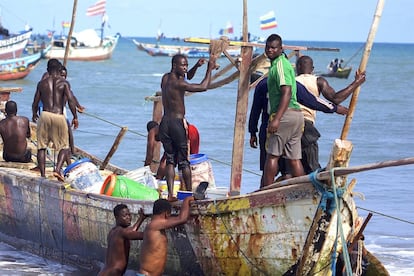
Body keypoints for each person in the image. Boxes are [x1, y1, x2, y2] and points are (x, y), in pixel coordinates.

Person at [249, 77, 347, 186]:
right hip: (289, 126)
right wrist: (334, 108)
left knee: (269, 165)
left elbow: (255, 110)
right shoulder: (291, 83)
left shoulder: (263, 84)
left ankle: (264, 194)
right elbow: (311, 100)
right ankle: (304, 190)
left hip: (268, 128)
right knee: (292, 162)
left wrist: (252, 131)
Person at [158, 53, 217, 201]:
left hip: (164, 123)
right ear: (174, 66)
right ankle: (189, 194)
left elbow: (187, 77)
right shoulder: (179, 84)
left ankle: (171, 194)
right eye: (183, 65)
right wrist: (209, 69)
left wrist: (197, 66)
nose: (185, 68)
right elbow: (203, 87)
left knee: (170, 159)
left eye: (186, 65)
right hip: (176, 124)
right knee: (184, 161)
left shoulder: (165, 78)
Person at [295, 55, 366, 174]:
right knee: (312, 167)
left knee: (294, 163)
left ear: (297, 68)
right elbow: (336, 98)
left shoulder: (292, 81)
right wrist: (356, 83)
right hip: (306, 125)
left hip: (288, 124)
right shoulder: (318, 80)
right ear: (312, 69)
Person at [262, 34, 305, 188]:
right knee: (294, 159)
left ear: (281, 49)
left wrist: (277, 119)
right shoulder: (279, 64)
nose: (270, 50)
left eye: (273, 48)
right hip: (296, 115)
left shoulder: (280, 65)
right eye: (267, 47)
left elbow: (286, 92)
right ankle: (304, 191)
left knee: (272, 156)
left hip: (285, 115)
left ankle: (265, 193)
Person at [31, 59, 79, 181]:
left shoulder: (42, 83)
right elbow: (70, 100)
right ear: (59, 70)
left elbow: (35, 101)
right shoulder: (64, 83)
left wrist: (34, 113)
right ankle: (57, 169)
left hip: (45, 114)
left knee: (41, 146)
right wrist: (75, 116)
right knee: (64, 146)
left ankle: (42, 175)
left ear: (47, 70)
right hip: (59, 115)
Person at [138, 196, 194, 275]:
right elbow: (182, 219)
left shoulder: (154, 224)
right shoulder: (155, 224)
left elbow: (159, 206)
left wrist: (166, 201)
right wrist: (187, 199)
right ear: (166, 213)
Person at [98, 205, 147, 276]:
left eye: (129, 215)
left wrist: (141, 218)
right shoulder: (122, 232)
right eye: (125, 216)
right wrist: (155, 228)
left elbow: (131, 232)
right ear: (116, 217)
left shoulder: (113, 231)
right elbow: (147, 235)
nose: (128, 218)